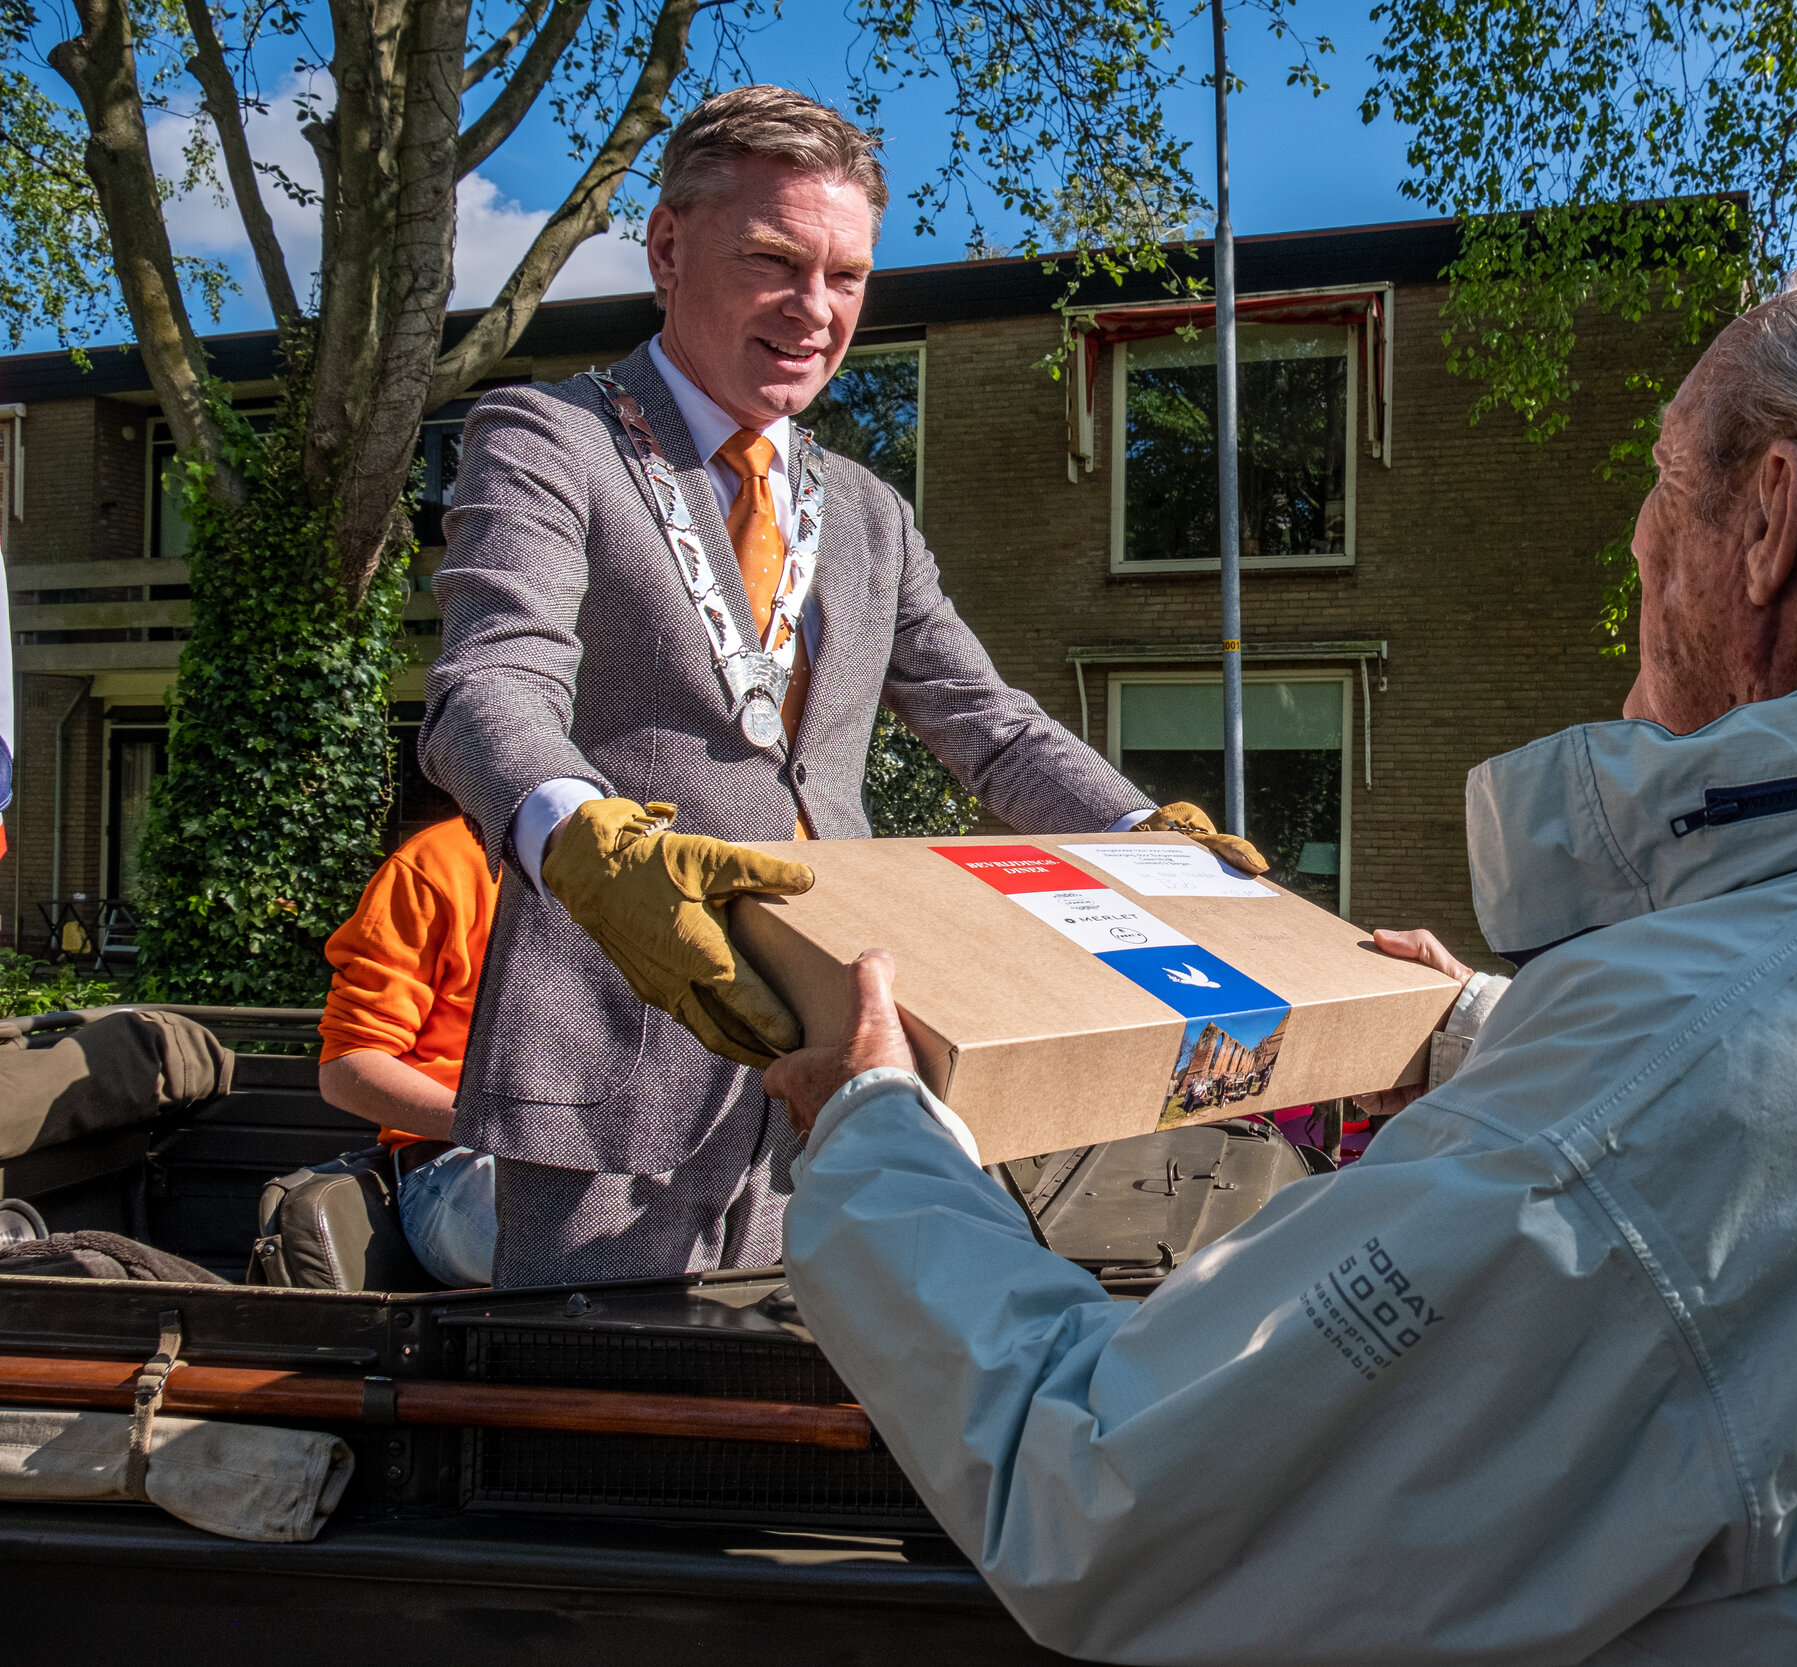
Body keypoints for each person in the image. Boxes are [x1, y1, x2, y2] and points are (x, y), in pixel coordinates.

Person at [764, 252, 1797, 1663]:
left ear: (1769, 521)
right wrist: (1490, 1034)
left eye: (1657, 477)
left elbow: (1110, 1486)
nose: (1637, 533)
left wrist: (879, 1140)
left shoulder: (1693, 1086)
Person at [421, 86, 1248, 1288]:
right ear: (666, 247)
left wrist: (1142, 833)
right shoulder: (549, 441)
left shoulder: (865, 510)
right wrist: (593, 841)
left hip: (841, 1065)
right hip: (619, 1058)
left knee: (810, 1431)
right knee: (607, 1428)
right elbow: (489, 683)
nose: (815, 311)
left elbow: (991, 726)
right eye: (772, 261)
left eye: (846, 276)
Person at [316, 817, 500, 1287]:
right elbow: (348, 1064)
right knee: (598, 1241)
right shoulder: (441, 861)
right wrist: (505, 1127)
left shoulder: (685, 861)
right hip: (456, 1161)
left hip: (638, 1158)